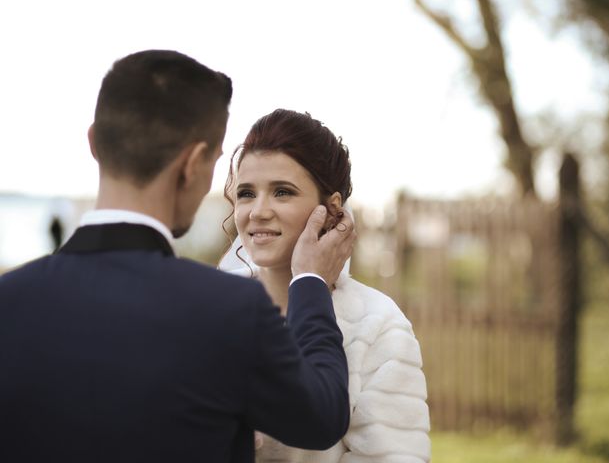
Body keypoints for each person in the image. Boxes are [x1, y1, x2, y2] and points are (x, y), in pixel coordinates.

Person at [0, 51, 356, 462]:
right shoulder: (231, 311)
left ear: (95, 142)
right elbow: (322, 417)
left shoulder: (8, 302)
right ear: (191, 165)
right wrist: (310, 283)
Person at [220, 109, 431, 462]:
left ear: (331, 209)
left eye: (282, 192)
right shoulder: (210, 304)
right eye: (245, 193)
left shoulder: (374, 323)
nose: (258, 211)